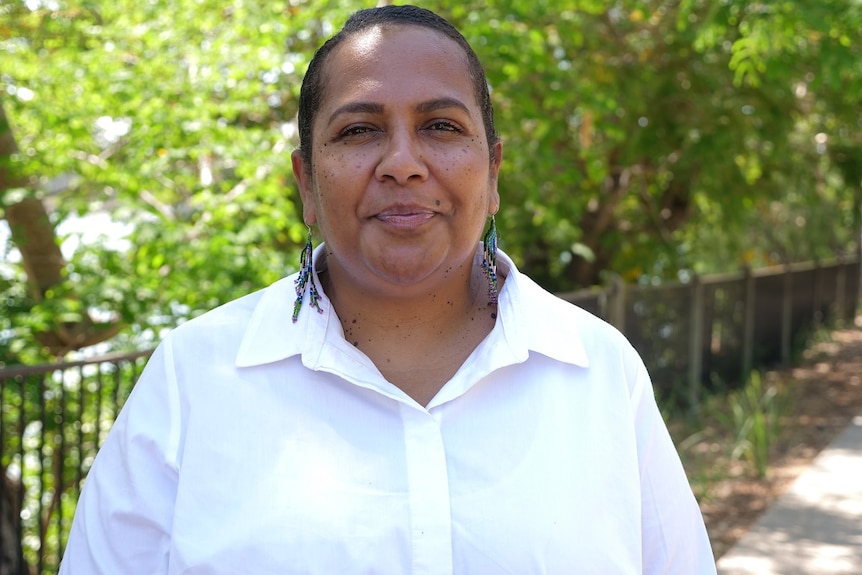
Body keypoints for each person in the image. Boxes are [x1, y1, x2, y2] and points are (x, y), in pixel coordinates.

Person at [59, 5, 717, 574]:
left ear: (493, 174)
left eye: (440, 126)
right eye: (359, 130)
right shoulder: (194, 379)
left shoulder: (598, 372)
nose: (402, 162)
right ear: (307, 184)